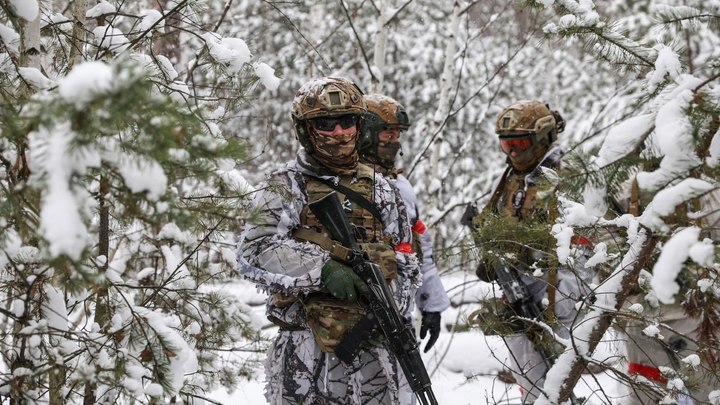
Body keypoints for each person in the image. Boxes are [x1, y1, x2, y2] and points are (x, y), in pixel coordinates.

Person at [237, 77, 420, 405]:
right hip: (304, 347)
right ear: (306, 130)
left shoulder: (383, 189)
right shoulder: (285, 186)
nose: (338, 132)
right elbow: (255, 249)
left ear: (359, 126)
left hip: (373, 348)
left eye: (347, 122)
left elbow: (407, 259)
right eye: (326, 124)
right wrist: (325, 269)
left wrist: (389, 299)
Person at [464, 100, 593, 403]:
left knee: (553, 387)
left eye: (520, 143)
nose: (513, 152)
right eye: (506, 145)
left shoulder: (565, 177)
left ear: (543, 137)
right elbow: (496, 226)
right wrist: (492, 259)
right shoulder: (513, 177)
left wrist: (560, 302)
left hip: (555, 299)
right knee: (531, 385)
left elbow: (584, 252)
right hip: (519, 294)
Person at [358, 93, 451, 353]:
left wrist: (430, 305)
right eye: (387, 133)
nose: (394, 140)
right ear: (366, 133)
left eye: (397, 134)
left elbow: (419, 247)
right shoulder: (344, 182)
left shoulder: (402, 186)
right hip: (355, 317)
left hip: (399, 318)